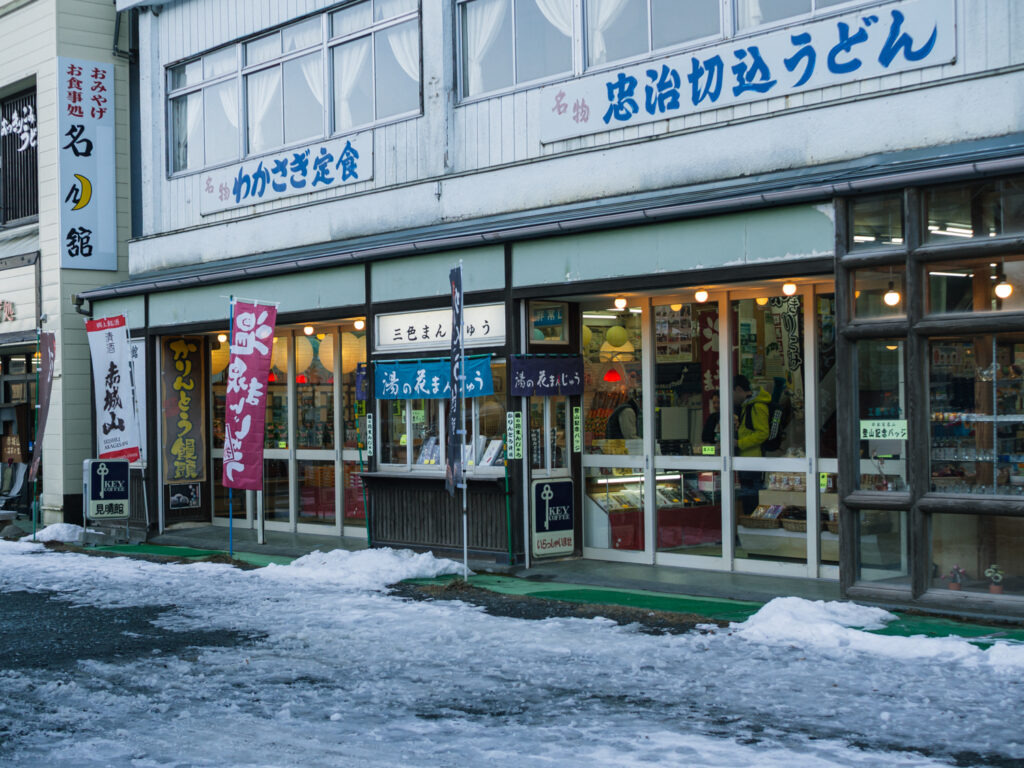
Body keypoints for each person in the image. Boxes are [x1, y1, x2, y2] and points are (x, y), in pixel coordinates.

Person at [734, 375, 770, 516]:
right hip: (747, 462)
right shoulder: (748, 406)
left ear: (738, 389)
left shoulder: (757, 406)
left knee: (752, 503)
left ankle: (754, 525)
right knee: (748, 502)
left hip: (753, 462)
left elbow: (763, 433)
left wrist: (739, 443)